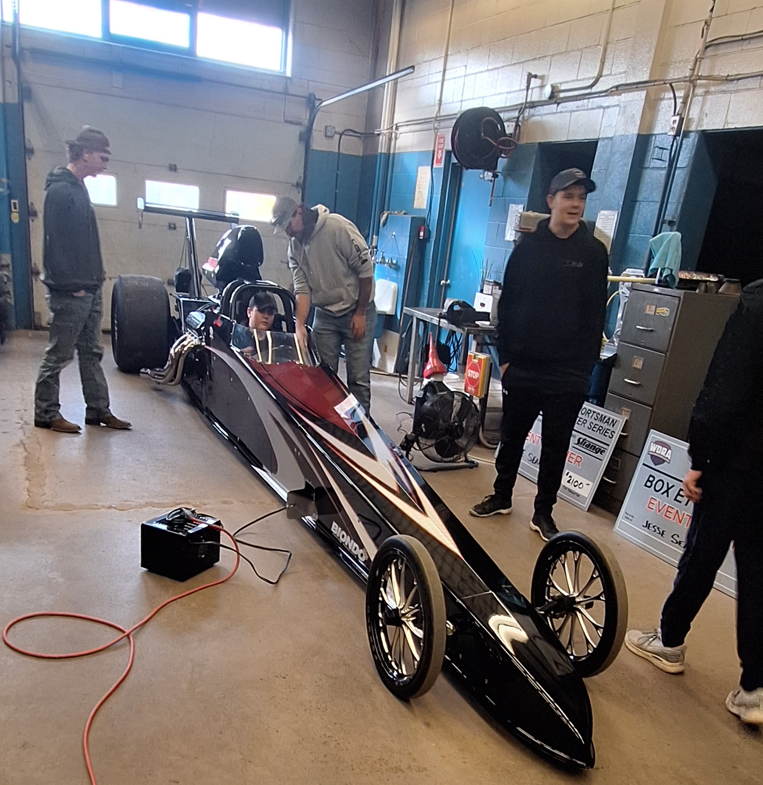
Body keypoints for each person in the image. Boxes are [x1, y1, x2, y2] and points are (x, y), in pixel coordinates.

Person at [625, 279, 763, 726]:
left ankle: (669, 639)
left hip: (735, 464)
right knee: (760, 575)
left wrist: (701, 457)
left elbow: (727, 389)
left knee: (702, 554)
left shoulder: (755, 307)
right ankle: (755, 688)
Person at [469, 168, 608, 541]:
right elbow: (509, 304)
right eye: (568, 196)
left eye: (581, 197)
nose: (575, 204)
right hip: (526, 367)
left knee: (555, 447)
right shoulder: (527, 249)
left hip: (568, 373)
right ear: (551, 201)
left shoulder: (593, 254)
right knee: (512, 436)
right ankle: (501, 495)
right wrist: (508, 359)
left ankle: (543, 512)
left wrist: (585, 368)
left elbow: (596, 313)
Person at [34, 126, 131, 434]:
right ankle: (46, 413)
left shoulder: (77, 187)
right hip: (72, 291)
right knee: (60, 354)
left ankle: (98, 410)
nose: (104, 164)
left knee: (92, 352)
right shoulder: (61, 191)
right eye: (102, 157)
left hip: (89, 286)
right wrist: (70, 285)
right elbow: (56, 244)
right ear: (86, 154)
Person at [271, 196, 375, 414]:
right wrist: (300, 325)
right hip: (326, 314)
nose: (288, 232)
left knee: (358, 379)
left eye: (288, 225)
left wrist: (361, 312)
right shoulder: (295, 248)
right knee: (323, 376)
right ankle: (329, 423)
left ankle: (363, 432)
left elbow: (366, 271)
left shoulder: (337, 228)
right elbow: (302, 289)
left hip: (355, 309)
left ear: (298, 212)